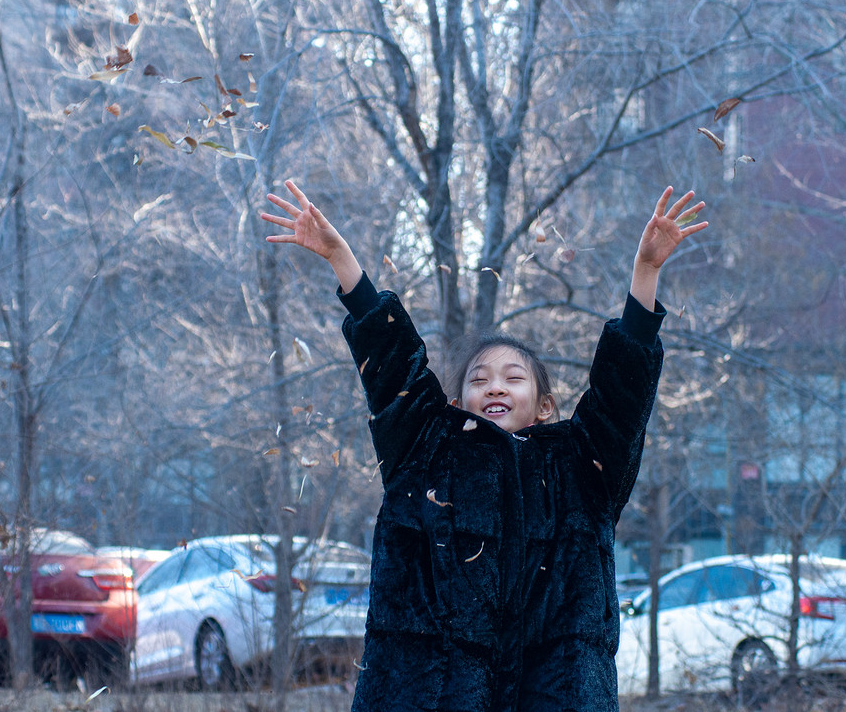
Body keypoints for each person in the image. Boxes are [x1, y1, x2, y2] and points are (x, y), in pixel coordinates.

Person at [262, 180, 707, 711]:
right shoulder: (426, 454)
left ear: (545, 405)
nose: (495, 386)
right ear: (456, 403)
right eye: (479, 379)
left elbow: (622, 396)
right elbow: (391, 362)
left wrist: (646, 273)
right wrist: (341, 259)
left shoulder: (582, 468)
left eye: (513, 377)